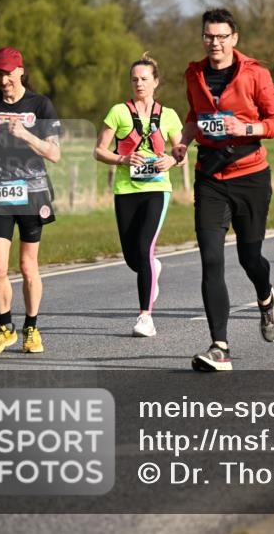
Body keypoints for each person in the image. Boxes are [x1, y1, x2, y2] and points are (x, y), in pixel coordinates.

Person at [172, 8, 274, 371]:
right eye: (209, 36)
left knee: (250, 257)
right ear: (202, 38)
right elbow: (194, 116)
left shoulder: (255, 73)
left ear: (234, 38)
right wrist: (183, 141)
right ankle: (219, 346)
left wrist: (245, 129)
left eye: (222, 36)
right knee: (211, 259)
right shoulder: (194, 74)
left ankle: (265, 298)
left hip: (250, 176)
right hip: (210, 177)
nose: (215, 43)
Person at [0, 47, 61, 355]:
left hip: (32, 192)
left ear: (21, 71)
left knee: (27, 266)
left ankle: (31, 328)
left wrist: (26, 135)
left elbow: (54, 153)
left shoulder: (40, 105)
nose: (3, 80)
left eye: (8, 74)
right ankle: (5, 327)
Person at [93, 54, 183, 337]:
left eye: (144, 79)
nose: (139, 84)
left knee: (144, 247)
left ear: (155, 82)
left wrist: (172, 160)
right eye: (134, 79)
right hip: (126, 190)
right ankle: (152, 267)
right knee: (134, 258)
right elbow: (99, 151)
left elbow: (180, 151)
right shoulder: (118, 112)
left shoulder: (168, 115)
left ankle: (145, 317)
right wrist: (122, 159)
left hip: (156, 189)